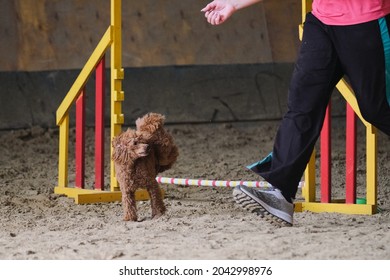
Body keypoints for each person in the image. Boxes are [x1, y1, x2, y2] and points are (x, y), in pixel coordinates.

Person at [201, 0, 390, 226]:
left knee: (377, 108)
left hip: (366, 21)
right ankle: (280, 193)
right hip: (322, 21)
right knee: (302, 106)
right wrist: (234, 3)